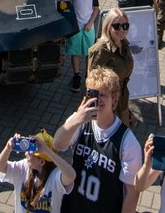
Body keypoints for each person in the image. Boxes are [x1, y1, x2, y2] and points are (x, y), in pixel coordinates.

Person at [53, 67, 142, 213]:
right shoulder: (80, 123)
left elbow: (132, 193)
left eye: (103, 95)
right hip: (73, 206)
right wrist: (77, 119)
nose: (97, 100)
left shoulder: (127, 142)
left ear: (114, 98)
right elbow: (57, 145)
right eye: (92, 94)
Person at [0, 130, 76, 213]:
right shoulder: (24, 166)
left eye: (31, 152)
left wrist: (46, 150)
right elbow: (0, 167)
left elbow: (71, 176)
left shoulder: (55, 177)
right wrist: (8, 148)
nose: (26, 153)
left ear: (42, 162)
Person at [88, 8, 135, 128]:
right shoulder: (100, 50)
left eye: (125, 26)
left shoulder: (124, 44)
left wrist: (127, 110)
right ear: (108, 26)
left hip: (122, 100)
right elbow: (91, 84)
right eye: (117, 26)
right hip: (107, 105)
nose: (121, 30)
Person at [66, 0, 99, 92]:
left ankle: (88, 75)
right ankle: (76, 76)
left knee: (89, 53)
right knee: (75, 52)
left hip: (88, 27)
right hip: (76, 28)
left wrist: (91, 22)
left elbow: (96, 8)